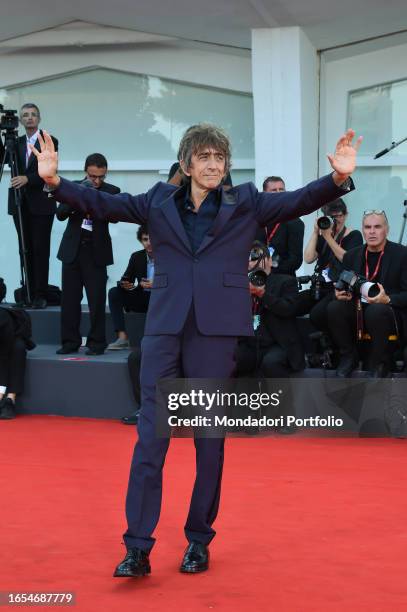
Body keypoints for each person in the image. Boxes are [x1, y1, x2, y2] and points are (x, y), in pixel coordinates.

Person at [32, 124, 360, 577]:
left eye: (219, 158)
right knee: (151, 436)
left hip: (216, 332)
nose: (212, 165)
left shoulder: (245, 201)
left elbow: (296, 200)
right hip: (165, 329)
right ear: (186, 163)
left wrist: (338, 179)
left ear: (226, 166)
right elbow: (104, 204)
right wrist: (54, 182)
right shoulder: (157, 201)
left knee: (209, 440)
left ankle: (198, 540)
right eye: (203, 157)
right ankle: (138, 546)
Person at [326, 211, 407, 377]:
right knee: (334, 307)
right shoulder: (352, 255)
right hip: (359, 308)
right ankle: (349, 356)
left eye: (377, 227)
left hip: (388, 310)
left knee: (376, 310)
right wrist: (340, 293)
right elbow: (345, 284)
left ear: (387, 230)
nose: (372, 231)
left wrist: (388, 299)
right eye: (368, 227)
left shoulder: (402, 254)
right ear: (362, 230)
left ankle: (380, 362)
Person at [55, 154, 120, 355]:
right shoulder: (73, 187)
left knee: (97, 300)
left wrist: (96, 197)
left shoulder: (112, 191)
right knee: (70, 300)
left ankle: (97, 343)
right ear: (86, 172)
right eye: (93, 176)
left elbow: (116, 217)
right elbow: (60, 214)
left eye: (101, 177)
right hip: (72, 250)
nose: (97, 181)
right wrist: (80, 192)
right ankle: (69, 342)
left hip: (96, 252)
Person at [7, 103, 59, 308]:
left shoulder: (49, 140)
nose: (29, 118)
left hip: (41, 204)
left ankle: (39, 294)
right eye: (25, 115)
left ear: (39, 118)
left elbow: (50, 169)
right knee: (24, 248)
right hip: (19, 203)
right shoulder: (14, 143)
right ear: (20, 120)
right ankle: (27, 292)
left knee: (40, 248)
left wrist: (29, 179)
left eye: (33, 115)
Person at [235, 242, 304, 379]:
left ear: (270, 260)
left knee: (271, 363)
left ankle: (282, 400)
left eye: (258, 258)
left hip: (278, 344)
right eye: (250, 259)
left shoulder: (286, 282)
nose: (254, 263)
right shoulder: (241, 284)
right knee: (232, 358)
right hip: (251, 343)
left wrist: (263, 294)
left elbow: (288, 308)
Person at [298, 198, 363, 334]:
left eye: (338, 216)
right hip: (318, 286)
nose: (335, 220)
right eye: (331, 217)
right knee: (292, 304)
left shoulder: (354, 235)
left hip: (337, 289)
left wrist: (328, 237)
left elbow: (347, 260)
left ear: (345, 215)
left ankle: (329, 344)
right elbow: (308, 258)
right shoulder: (324, 236)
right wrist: (316, 232)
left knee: (317, 314)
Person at [107, 226, 153, 350]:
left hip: (161, 299)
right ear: (141, 241)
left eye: (152, 239)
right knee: (114, 293)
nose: (149, 243)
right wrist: (124, 284)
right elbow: (127, 278)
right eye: (145, 239)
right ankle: (122, 338)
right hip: (142, 296)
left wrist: (157, 283)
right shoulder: (137, 257)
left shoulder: (168, 257)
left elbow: (176, 282)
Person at [0, 279, 36, 419]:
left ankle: (10, 400)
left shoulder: (2, 318)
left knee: (18, 348)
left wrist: (1, 391)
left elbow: (3, 354)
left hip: (11, 344)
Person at [256, 176, 304, 276]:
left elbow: (295, 260)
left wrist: (270, 267)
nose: (279, 193)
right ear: (264, 193)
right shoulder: (256, 219)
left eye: (281, 189)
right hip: (257, 278)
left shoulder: (294, 221)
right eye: (274, 190)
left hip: (282, 282)